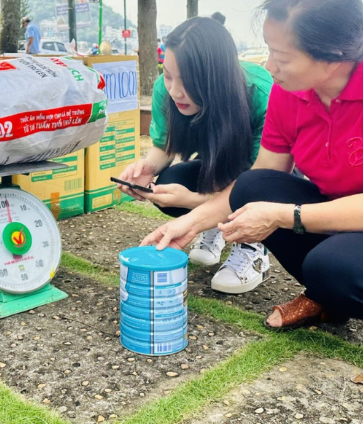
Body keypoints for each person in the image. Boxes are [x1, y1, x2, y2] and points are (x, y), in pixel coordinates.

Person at [142, 0, 363, 385]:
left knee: (332, 266)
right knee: (253, 188)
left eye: (281, 57)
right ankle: (329, 300)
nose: (270, 67)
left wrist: (286, 216)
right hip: (351, 224)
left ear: (332, 56)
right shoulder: (291, 91)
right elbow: (259, 180)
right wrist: (187, 224)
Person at [117, 17, 274, 293]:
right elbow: (165, 145)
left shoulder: (260, 93)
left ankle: (252, 246)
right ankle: (214, 225)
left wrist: (192, 202)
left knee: (259, 185)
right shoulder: (164, 91)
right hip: (218, 169)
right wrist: (147, 167)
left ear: (216, 76)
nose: (175, 90)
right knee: (171, 176)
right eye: (167, 75)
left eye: (187, 81)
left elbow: (261, 178)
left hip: (262, 177)